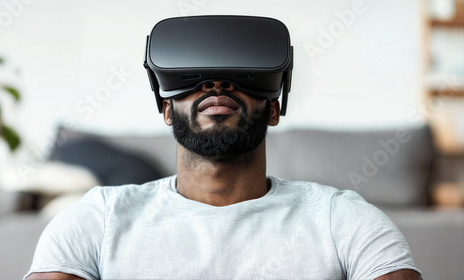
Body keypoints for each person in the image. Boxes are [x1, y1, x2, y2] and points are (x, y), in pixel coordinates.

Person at [25, 16, 423, 280]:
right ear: (166, 109)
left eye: (240, 76)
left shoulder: (343, 220)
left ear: (273, 110)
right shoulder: (97, 219)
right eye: (196, 79)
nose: (218, 85)